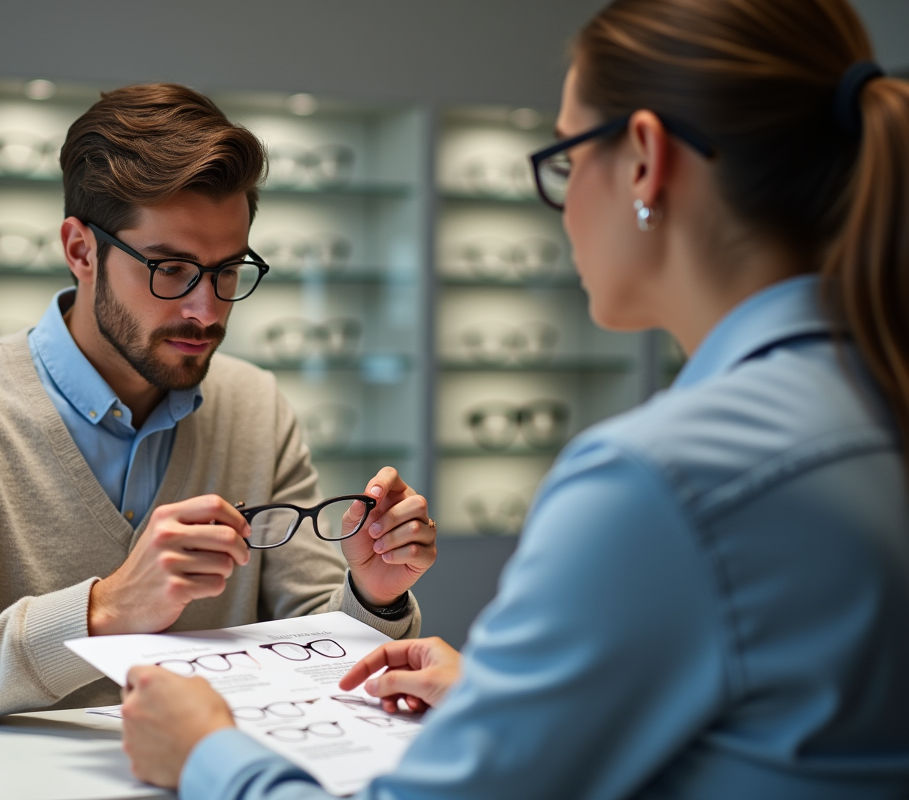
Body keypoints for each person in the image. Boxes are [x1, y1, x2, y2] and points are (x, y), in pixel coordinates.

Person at [118, 0, 909, 796]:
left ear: (643, 160)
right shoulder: (870, 398)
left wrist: (207, 754)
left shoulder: (660, 480)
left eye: (565, 159)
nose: (562, 206)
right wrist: (512, 707)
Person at [0, 84, 438, 725]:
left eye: (228, 270)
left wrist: (374, 596)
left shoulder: (256, 407)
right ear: (80, 250)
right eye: (169, 269)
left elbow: (319, 649)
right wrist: (103, 611)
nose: (206, 308)